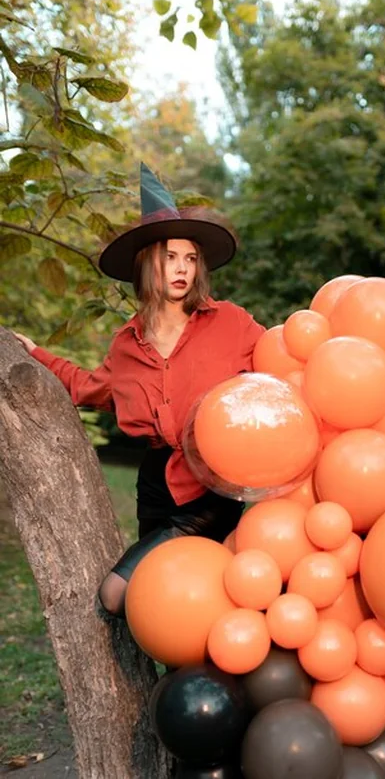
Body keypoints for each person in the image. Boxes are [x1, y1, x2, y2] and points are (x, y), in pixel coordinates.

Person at [13, 163, 265, 616]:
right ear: (148, 262)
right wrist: (37, 355)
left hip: (211, 489)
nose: (182, 268)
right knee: (170, 607)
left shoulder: (232, 322)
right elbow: (86, 387)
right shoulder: (125, 345)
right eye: (170, 257)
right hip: (154, 488)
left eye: (190, 258)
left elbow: (277, 374)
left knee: (117, 593)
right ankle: (174, 682)